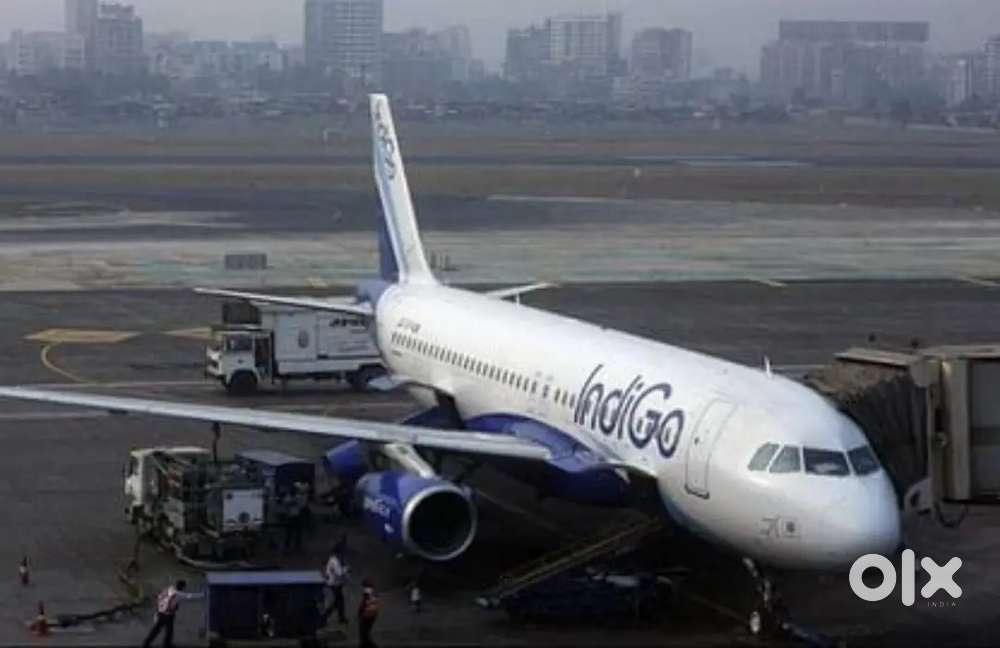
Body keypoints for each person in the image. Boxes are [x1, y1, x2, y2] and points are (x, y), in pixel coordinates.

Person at [143, 579, 201, 648]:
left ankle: (148, 643)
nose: (184, 589)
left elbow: (159, 597)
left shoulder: (169, 588)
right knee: (165, 630)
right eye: (183, 587)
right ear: (181, 586)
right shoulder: (178, 593)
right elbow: (189, 596)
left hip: (162, 612)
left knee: (162, 630)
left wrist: (159, 609)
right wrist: (202, 594)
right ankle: (164, 644)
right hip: (167, 614)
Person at [323, 547, 349, 625]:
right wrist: (346, 569)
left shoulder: (334, 560)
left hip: (336, 584)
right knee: (337, 602)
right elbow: (339, 573)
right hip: (334, 584)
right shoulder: (334, 561)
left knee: (340, 601)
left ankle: (341, 617)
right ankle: (325, 617)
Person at [357, 578, 379, 648]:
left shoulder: (367, 592)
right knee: (365, 632)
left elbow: (364, 604)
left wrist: (359, 613)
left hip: (367, 614)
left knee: (363, 633)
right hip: (373, 614)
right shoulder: (374, 592)